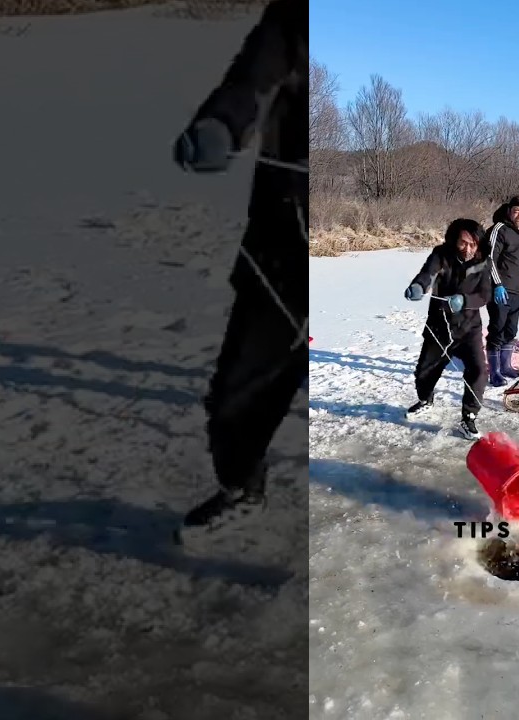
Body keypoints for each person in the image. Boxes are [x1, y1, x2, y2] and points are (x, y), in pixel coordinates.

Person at [170, 0, 307, 536]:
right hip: (281, 246)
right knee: (233, 395)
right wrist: (221, 124)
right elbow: (251, 79)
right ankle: (242, 487)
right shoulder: (295, 15)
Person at [404, 218, 494, 440]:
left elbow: (484, 295)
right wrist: (418, 286)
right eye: (463, 243)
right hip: (439, 327)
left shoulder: (484, 261)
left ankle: (469, 418)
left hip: (469, 328)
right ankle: (426, 399)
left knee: (479, 371)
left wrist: (465, 300)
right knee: (424, 373)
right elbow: (428, 274)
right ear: (454, 240)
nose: (468, 249)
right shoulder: (441, 255)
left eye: (472, 244)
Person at [484, 195, 519, 387]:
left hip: (516, 291)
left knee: (511, 330)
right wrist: (497, 284)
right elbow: (489, 259)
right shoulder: (499, 230)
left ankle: (505, 366)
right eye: (516, 212)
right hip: (499, 291)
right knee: (497, 330)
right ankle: (494, 372)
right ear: (509, 211)